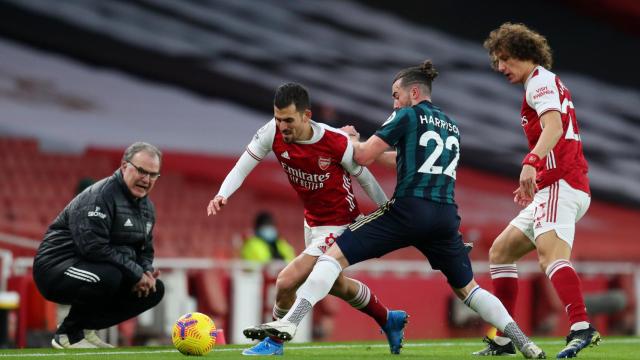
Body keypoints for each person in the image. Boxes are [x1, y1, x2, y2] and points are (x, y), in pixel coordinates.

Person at [246, 61, 546, 359]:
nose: (394, 101)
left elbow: (362, 157)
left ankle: (290, 322)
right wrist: (372, 153)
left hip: (408, 210)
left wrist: (352, 141)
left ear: (413, 92)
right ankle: (524, 343)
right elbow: (405, 160)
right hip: (445, 217)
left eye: (395, 95)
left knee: (332, 256)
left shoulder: (407, 114)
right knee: (469, 290)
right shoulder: (452, 126)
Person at [207, 83, 407, 356]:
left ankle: (275, 340)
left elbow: (366, 180)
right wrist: (222, 193)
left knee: (287, 281)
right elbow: (243, 165)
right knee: (336, 285)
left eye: (288, 120)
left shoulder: (336, 141)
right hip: (312, 223)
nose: (283, 126)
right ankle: (388, 318)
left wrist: (388, 212)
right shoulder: (271, 132)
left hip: (341, 224)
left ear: (306, 116)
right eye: (278, 119)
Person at [476, 23, 600, 358]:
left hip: (563, 182)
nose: (501, 67)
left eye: (505, 59)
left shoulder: (540, 81)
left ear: (524, 54)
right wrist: (536, 175)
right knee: (501, 252)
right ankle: (504, 337)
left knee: (551, 258)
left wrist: (531, 162)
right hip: (553, 184)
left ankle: (581, 326)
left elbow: (554, 127)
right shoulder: (542, 82)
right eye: (497, 61)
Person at [33, 142, 164, 349]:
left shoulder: (147, 208)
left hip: (95, 268)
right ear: (124, 166)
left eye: (153, 174)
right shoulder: (100, 195)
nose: (146, 179)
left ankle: (84, 329)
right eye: (141, 171)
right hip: (55, 268)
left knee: (154, 290)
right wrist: (135, 272)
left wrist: (145, 272)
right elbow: (93, 247)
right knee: (110, 276)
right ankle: (68, 334)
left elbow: (145, 250)